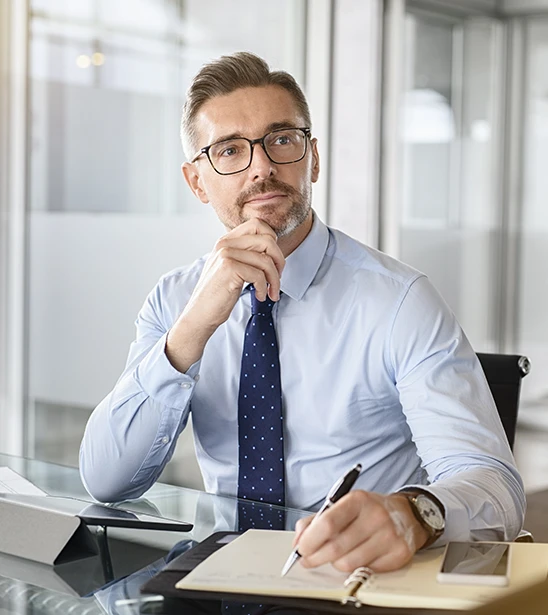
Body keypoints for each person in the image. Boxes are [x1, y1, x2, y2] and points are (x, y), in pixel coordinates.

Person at [80, 52, 525, 574]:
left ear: (312, 158)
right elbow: (107, 480)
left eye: (281, 140)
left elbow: (493, 484)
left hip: (353, 581)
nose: (262, 167)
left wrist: (412, 513)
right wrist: (193, 328)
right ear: (197, 181)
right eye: (229, 150)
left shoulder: (400, 300)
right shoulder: (175, 299)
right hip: (222, 573)